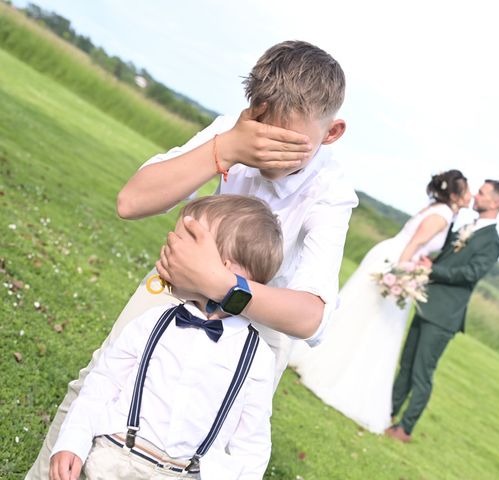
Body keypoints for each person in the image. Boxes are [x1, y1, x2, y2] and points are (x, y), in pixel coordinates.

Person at [27, 40, 358, 479]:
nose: (269, 150)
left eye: (288, 142)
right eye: (263, 131)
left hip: (259, 319)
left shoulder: (329, 192)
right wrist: (224, 150)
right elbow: (131, 202)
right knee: (99, 386)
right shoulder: (232, 134)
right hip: (177, 286)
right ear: (253, 110)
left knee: (198, 437)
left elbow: (311, 318)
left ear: (331, 133)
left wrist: (223, 285)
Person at [49, 194, 283, 480]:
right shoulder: (151, 321)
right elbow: (103, 383)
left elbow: (252, 446)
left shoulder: (256, 357)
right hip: (111, 459)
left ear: (223, 269)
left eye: (184, 246)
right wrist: (72, 441)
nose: (168, 251)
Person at [289, 170, 471, 434]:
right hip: (395, 263)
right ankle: (331, 371)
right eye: (465, 191)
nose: (469, 196)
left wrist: (418, 263)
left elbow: (418, 245)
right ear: (454, 195)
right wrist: (398, 275)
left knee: (365, 318)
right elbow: (415, 242)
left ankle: (330, 363)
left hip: (395, 258)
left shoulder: (440, 209)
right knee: (371, 321)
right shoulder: (442, 215)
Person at [386, 179, 499, 443]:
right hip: (425, 301)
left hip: (444, 316)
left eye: (482, 193)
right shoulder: (468, 226)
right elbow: (445, 254)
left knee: (422, 373)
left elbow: (471, 273)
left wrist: (434, 270)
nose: (476, 195)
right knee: (406, 365)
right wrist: (428, 262)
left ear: (496, 202)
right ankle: (388, 413)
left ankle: (405, 429)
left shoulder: (492, 240)